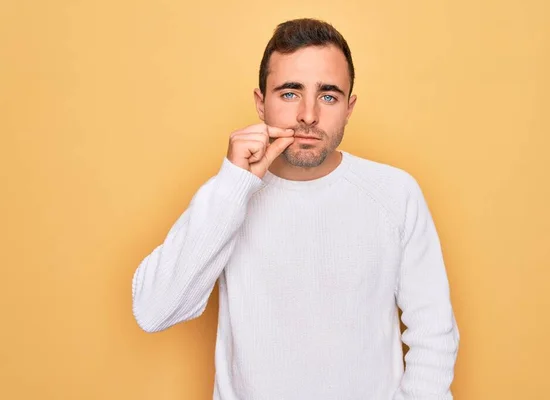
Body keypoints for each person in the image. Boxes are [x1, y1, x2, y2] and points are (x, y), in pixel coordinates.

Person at [132, 18, 459, 400]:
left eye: (328, 95)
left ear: (349, 107)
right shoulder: (229, 195)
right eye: (290, 93)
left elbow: (433, 332)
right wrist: (232, 185)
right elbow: (154, 310)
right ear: (260, 102)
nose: (308, 115)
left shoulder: (395, 193)